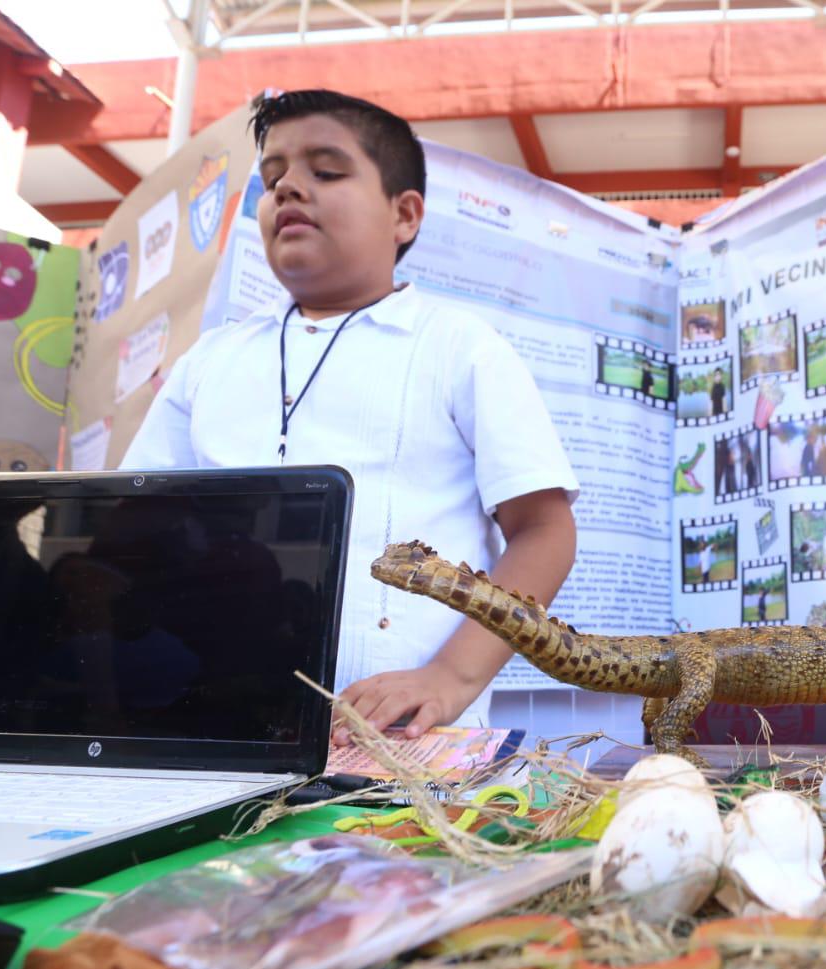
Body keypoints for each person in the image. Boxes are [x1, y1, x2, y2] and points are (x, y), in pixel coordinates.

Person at [121, 90, 578, 746]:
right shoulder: (210, 361)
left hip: (409, 746)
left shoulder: (459, 347)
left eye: (327, 171)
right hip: (220, 732)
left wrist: (449, 677)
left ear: (404, 215)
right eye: (272, 178)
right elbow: (136, 519)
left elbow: (543, 531)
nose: (288, 188)